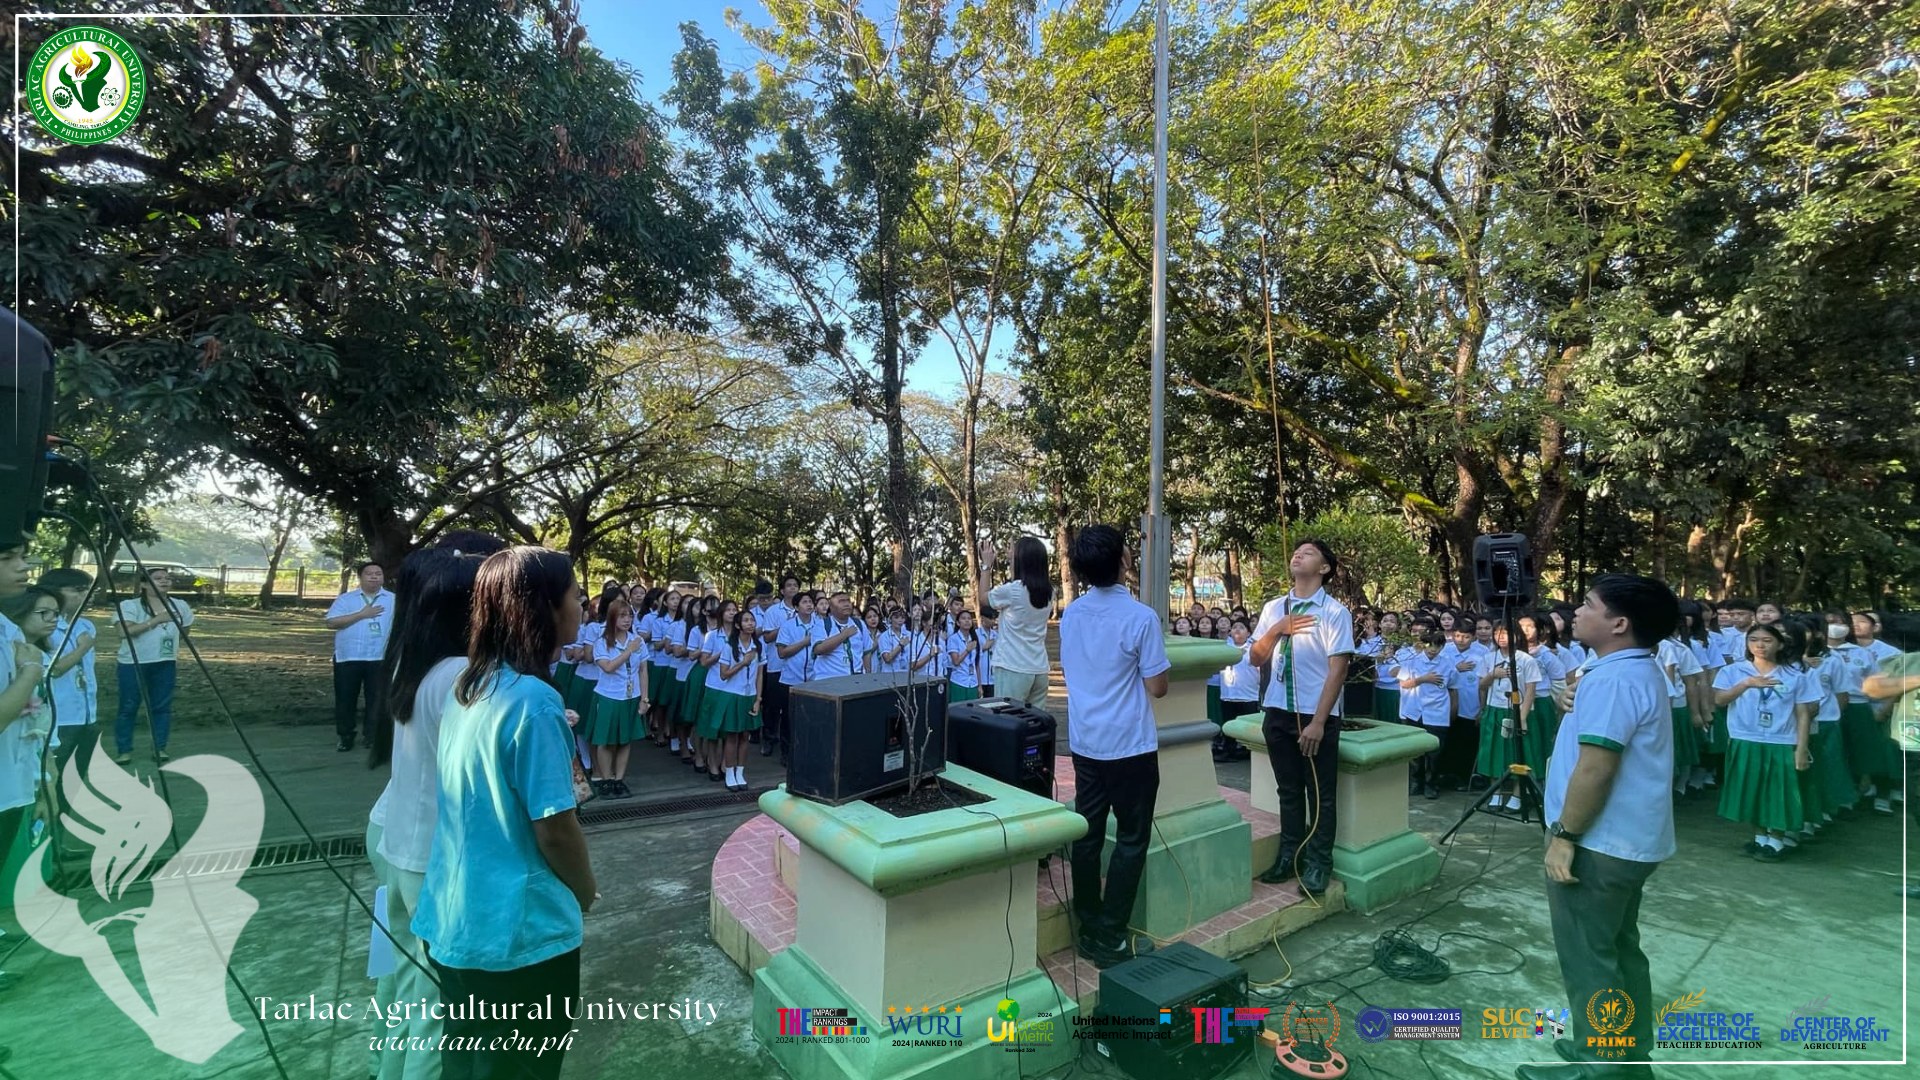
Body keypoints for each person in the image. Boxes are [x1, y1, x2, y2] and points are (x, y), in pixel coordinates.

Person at [412, 547, 595, 1080]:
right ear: (544, 607)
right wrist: (583, 891)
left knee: (466, 1060)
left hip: (455, 916)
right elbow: (555, 828)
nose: (582, 603)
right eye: (575, 593)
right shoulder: (534, 701)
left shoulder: (471, 685)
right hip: (518, 934)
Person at [1516, 574, 1677, 1080]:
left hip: (1599, 841)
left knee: (1589, 955)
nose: (1576, 613)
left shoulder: (1613, 678)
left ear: (1620, 623)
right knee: (1618, 947)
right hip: (1631, 841)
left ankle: (1599, 1064)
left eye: (1588, 605)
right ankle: (1628, 1053)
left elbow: (1596, 767)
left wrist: (1564, 836)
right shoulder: (1624, 669)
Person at [366, 545, 490, 1080]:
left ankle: (385, 1066)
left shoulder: (412, 657)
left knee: (402, 979)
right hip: (435, 856)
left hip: (395, 837)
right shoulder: (464, 676)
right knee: (437, 1011)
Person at [1058, 525, 1169, 969]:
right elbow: (1158, 687)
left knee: (1086, 834)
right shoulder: (1141, 618)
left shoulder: (1072, 614)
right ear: (1124, 560)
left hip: (1086, 743)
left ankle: (1087, 923)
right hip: (1129, 745)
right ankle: (1111, 935)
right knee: (1130, 838)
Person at [1250, 540, 1354, 894]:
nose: (1297, 555)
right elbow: (1256, 658)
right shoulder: (1274, 608)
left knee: (1321, 793)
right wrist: (1278, 628)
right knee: (1288, 789)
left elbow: (1337, 670)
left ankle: (1318, 863)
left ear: (1325, 568)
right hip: (1278, 710)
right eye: (1296, 551)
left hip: (1314, 714)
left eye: (1308, 553)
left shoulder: (1335, 613)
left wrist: (1319, 722)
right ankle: (1289, 857)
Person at [1713, 621, 1818, 861]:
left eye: (1767, 640)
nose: (1760, 645)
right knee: (1753, 788)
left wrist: (1801, 749)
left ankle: (1777, 841)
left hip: (1781, 740)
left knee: (1778, 791)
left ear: (1780, 644)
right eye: (1754, 640)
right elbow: (1719, 700)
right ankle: (1760, 838)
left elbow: (1804, 713)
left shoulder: (1796, 674)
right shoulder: (1734, 671)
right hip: (1745, 737)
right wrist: (1746, 684)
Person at [111, 567, 193, 764]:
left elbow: (185, 630)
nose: (164, 581)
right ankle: (124, 750)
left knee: (161, 707)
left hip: (165, 662)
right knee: (128, 707)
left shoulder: (180, 605)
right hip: (133, 663)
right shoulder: (129, 605)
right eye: (157, 578)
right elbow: (124, 632)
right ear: (144, 584)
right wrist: (156, 620)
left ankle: (159, 748)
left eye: (167, 578)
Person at [325, 562, 394, 752]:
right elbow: (331, 623)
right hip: (349, 658)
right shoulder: (346, 600)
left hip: (379, 658)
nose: (374, 577)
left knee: (377, 700)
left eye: (378, 573)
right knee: (346, 699)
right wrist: (362, 614)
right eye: (369, 573)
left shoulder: (393, 599)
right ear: (360, 577)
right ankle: (346, 736)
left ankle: (372, 737)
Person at [38, 568, 99, 779]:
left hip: (88, 715)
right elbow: (52, 670)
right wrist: (82, 648)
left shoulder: (85, 625)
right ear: (54, 591)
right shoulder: (45, 627)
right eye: (78, 590)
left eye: (88, 590)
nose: (85, 595)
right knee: (55, 777)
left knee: (76, 778)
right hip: (60, 717)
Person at [586, 596, 648, 799]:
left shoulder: (637, 641)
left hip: (631, 696)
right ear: (612, 618)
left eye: (629, 615)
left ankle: (619, 779)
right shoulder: (602, 643)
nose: (627, 620)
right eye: (622, 616)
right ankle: (606, 779)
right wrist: (628, 652)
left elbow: (643, 670)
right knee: (606, 740)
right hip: (609, 696)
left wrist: (644, 699)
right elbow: (608, 667)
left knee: (625, 740)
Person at [980, 536, 1054, 707]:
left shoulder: (1013, 591)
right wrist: (1014, 560)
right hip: (1039, 668)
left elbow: (983, 600)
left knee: (1008, 722)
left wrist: (986, 566)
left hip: (1013, 667)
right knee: (1034, 724)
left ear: (1022, 561)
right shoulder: (1050, 592)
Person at [699, 609, 763, 792]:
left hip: (749, 695)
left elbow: (759, 674)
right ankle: (729, 772)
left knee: (745, 736)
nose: (750, 623)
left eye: (752, 620)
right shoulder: (729, 646)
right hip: (731, 695)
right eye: (746, 620)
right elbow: (724, 674)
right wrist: (743, 662)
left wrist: (758, 698)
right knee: (732, 736)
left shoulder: (757, 646)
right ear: (738, 625)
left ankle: (740, 772)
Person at [1396, 630, 1451, 799]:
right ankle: (1415, 782)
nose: (1433, 650)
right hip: (1414, 711)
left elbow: (1453, 687)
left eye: (1437, 646)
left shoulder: (1447, 663)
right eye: (1429, 645)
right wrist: (1423, 679)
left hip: (1437, 711)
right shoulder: (1411, 661)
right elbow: (1404, 684)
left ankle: (1431, 783)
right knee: (1415, 751)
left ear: (1442, 647)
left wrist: (1453, 710)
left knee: (1435, 751)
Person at [757, 577, 799, 761]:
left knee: (791, 711)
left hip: (797, 669)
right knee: (772, 707)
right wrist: (786, 626)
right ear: (782, 591)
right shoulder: (774, 611)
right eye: (789, 585)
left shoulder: (806, 611)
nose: (793, 588)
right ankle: (768, 738)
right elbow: (767, 638)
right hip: (776, 665)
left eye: (796, 585)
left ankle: (787, 749)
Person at [1213, 619, 1259, 762]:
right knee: (1228, 724)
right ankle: (1229, 750)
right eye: (1234, 627)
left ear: (1249, 632)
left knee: (1247, 726)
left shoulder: (1253, 648)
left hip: (1249, 695)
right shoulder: (1224, 647)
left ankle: (1247, 751)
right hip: (1228, 694)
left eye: (1241, 628)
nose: (1237, 630)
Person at [810, 592, 869, 680]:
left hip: (856, 679)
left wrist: (867, 676)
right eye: (841, 601)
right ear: (831, 607)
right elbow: (818, 649)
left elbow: (867, 652)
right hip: (829, 679)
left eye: (848, 601)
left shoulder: (859, 624)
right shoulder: (822, 624)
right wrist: (843, 635)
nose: (846, 604)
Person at [945, 609, 986, 704]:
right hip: (959, 682)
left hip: (973, 682)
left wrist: (980, 685)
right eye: (963, 619)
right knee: (958, 712)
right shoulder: (953, 639)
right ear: (958, 623)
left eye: (969, 618)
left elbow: (977, 664)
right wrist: (967, 650)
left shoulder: (975, 639)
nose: (967, 621)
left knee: (972, 712)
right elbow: (956, 662)